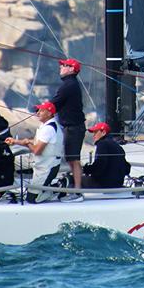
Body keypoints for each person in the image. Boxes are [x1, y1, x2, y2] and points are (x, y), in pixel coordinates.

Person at [5, 102, 66, 203]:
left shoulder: (48, 129)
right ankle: (12, 188)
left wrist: (26, 143)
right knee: (8, 161)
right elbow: (35, 142)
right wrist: (15, 141)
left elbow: (37, 150)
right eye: (38, 110)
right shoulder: (46, 126)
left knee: (32, 199)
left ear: (49, 113)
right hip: (40, 162)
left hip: (47, 167)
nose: (38, 113)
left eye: (41, 111)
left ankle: (54, 190)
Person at [50, 58, 85, 198]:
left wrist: (41, 111)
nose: (61, 68)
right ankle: (76, 187)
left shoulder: (68, 85)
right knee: (71, 158)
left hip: (73, 127)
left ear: (71, 69)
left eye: (64, 66)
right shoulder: (70, 84)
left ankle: (77, 190)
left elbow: (54, 103)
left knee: (73, 159)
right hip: (72, 127)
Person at [81, 122, 131, 188]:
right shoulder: (117, 146)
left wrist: (86, 169)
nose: (93, 135)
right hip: (118, 184)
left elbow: (100, 165)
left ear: (103, 132)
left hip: (104, 184)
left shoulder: (102, 144)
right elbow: (127, 168)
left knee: (74, 179)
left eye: (96, 132)